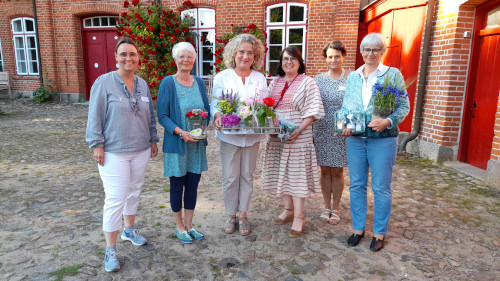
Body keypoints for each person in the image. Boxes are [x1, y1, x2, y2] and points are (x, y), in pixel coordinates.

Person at [86, 37, 159, 272]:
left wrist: (153, 139)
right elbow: (94, 116)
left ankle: (129, 230)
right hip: (113, 152)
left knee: (134, 192)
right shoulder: (104, 82)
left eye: (133, 54)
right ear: (116, 57)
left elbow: (150, 115)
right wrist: (97, 144)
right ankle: (111, 249)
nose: (129, 58)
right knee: (115, 198)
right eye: (123, 54)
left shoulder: (143, 84)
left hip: (141, 150)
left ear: (138, 58)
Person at [340, 33, 410, 252]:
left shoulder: (392, 75)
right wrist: (344, 126)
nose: (370, 54)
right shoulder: (353, 77)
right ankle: (358, 229)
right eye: (367, 49)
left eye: (375, 50)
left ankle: (379, 233)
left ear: (382, 52)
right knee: (357, 186)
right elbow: (346, 108)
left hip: (383, 141)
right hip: (356, 141)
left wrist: (388, 121)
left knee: (381, 188)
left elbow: (403, 107)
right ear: (361, 52)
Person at [262, 46, 325, 238]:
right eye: (285, 59)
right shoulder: (275, 82)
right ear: (280, 63)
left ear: (299, 62)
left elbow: (314, 110)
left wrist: (299, 129)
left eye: (293, 59)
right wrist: (271, 127)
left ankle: (299, 217)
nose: (288, 62)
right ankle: (287, 210)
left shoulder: (308, 82)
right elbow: (267, 107)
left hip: (299, 136)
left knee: (297, 177)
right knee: (283, 173)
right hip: (278, 137)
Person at [211, 33, 267, 236]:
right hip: (230, 136)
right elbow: (216, 103)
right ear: (234, 54)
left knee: (247, 176)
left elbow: (265, 105)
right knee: (230, 176)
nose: (245, 56)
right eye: (241, 51)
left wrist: (267, 117)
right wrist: (217, 115)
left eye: (250, 53)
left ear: (255, 56)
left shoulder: (260, 78)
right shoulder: (222, 77)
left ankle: (243, 213)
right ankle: (230, 214)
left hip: (252, 136)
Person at [157, 42, 210, 244]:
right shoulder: (168, 83)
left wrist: (202, 123)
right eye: (181, 56)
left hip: (196, 145)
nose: (185, 60)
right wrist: (181, 132)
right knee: (177, 186)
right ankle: (179, 226)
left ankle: (189, 226)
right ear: (175, 59)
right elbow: (162, 116)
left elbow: (206, 109)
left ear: (194, 59)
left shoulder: (199, 83)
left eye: (189, 56)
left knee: (193, 186)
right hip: (177, 146)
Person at [313, 41, 349, 225]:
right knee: (324, 170)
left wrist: (343, 127)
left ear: (343, 56)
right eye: (329, 56)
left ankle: (336, 208)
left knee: (337, 170)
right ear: (325, 59)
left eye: (337, 56)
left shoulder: (352, 78)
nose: (333, 59)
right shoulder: (318, 79)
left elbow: (354, 105)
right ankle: (326, 206)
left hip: (342, 130)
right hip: (321, 129)